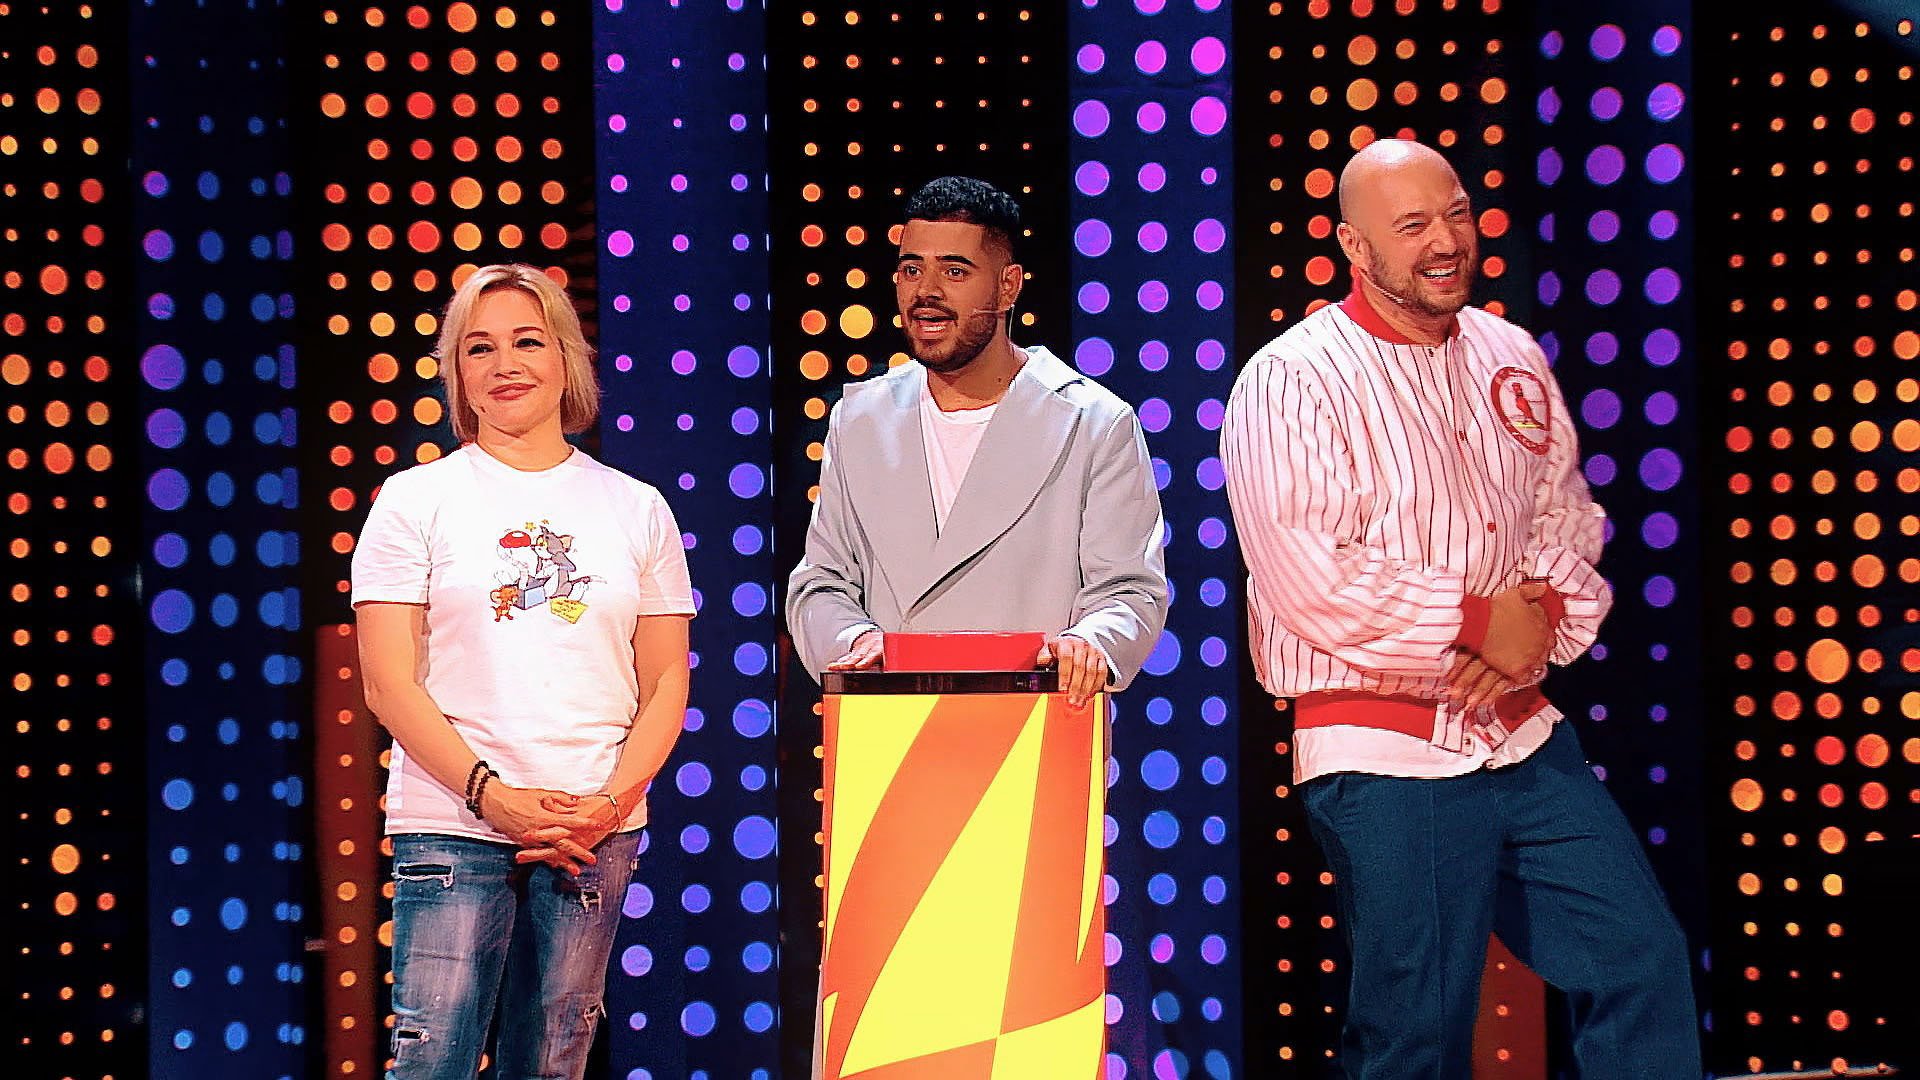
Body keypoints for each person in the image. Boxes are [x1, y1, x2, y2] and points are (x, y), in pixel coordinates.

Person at [1220, 141, 1700, 1076]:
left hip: (1520, 734)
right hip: (1386, 750)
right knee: (1418, 1030)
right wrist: (1481, 625)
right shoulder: (1292, 379)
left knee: (1641, 962)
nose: (1445, 242)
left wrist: (1538, 615)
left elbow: (1565, 511)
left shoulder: (1507, 351)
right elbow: (1310, 576)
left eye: (1457, 214)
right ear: (1354, 248)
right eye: (1412, 226)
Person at [352, 263, 695, 1079]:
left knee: (552, 1062)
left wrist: (607, 807)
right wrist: (492, 796)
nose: (505, 364)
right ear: (456, 373)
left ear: (567, 359)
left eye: (528, 342)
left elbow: (666, 684)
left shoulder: (637, 506)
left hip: (591, 828)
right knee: (431, 1060)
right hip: (453, 822)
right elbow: (388, 683)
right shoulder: (413, 500)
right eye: (480, 348)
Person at [786, 175, 1169, 701]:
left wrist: (1089, 644)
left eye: (955, 271)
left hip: (1034, 728)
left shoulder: (1093, 424)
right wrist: (854, 641)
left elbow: (1130, 591)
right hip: (888, 728)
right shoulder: (861, 421)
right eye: (912, 269)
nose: (926, 292)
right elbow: (819, 584)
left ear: (1008, 286)